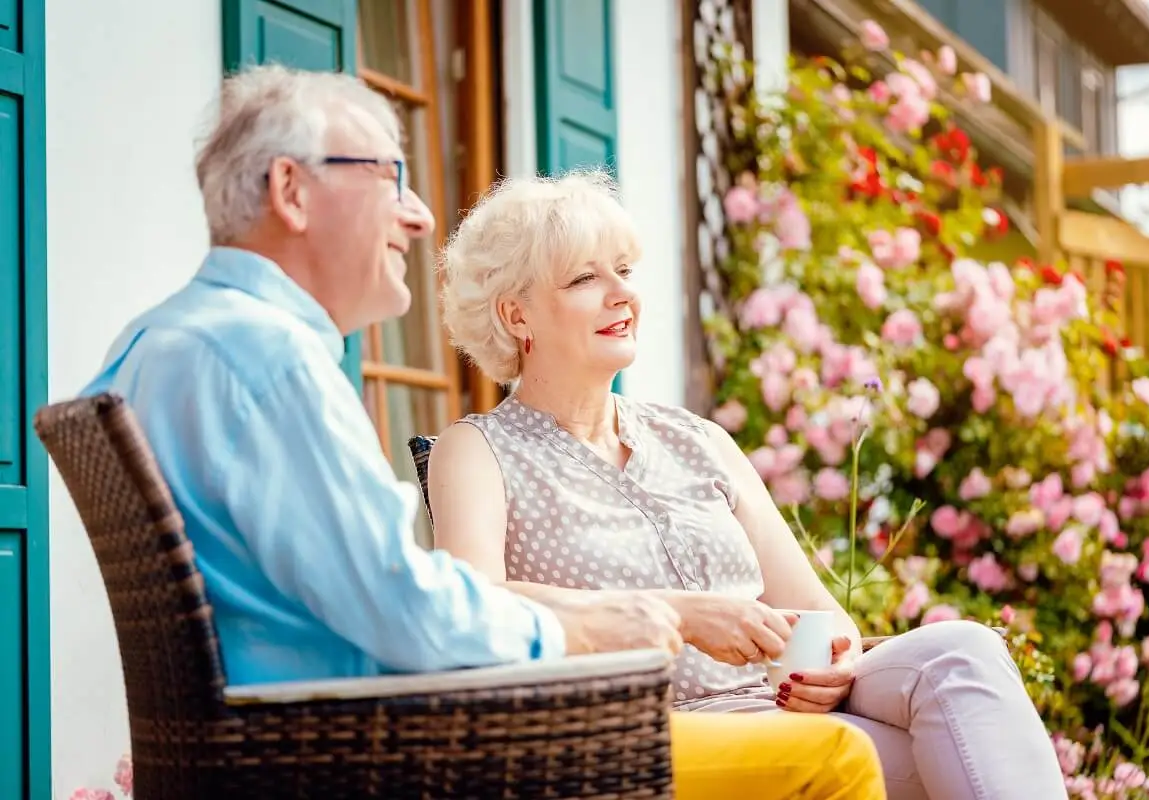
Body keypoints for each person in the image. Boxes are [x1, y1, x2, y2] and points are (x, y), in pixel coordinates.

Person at [80, 65, 886, 800]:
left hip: (280, 739)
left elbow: (370, 590)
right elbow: (408, 609)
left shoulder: (153, 346)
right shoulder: (268, 359)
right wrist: (602, 623)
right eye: (389, 177)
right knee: (837, 761)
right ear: (291, 190)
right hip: (371, 748)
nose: (421, 215)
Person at [429, 168, 1070, 800]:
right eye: (584, 279)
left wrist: (837, 660)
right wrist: (680, 615)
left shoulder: (698, 440)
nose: (621, 294)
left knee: (963, 653)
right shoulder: (477, 449)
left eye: (622, 271)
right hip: (656, 746)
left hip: (788, 719)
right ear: (517, 315)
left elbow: (822, 616)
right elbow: (473, 603)